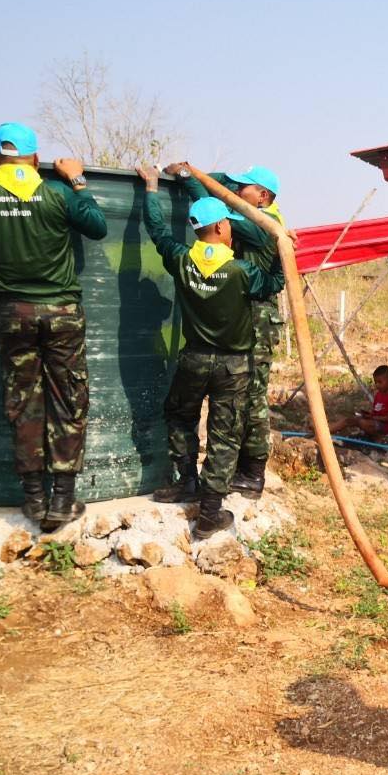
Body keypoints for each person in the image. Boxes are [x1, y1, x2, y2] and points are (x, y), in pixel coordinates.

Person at [0, 122, 107, 530]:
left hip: (12, 313)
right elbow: (97, 225)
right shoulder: (55, 194)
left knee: (24, 403)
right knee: (68, 402)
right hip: (62, 314)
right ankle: (63, 501)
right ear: (37, 159)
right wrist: (78, 180)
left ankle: (34, 500)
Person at [137, 166, 266, 539]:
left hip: (193, 359)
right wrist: (278, 248)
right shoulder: (242, 271)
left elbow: (158, 231)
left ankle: (184, 482)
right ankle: (210, 512)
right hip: (233, 366)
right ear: (224, 228)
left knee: (180, 416)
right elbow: (271, 279)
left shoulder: (180, 260)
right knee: (224, 434)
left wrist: (150, 189)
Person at [166, 162, 285, 499]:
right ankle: (233, 470)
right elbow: (218, 191)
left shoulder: (266, 223)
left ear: (261, 196)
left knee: (251, 397)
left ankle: (252, 471)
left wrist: (191, 180)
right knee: (236, 399)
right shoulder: (251, 215)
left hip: (256, 319)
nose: (233, 190)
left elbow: (213, 213)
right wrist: (207, 176)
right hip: (240, 315)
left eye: (243, 187)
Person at [327, 366, 388, 438]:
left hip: (385, 427)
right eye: (376, 382)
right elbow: (376, 412)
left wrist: (372, 417)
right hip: (374, 422)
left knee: (362, 423)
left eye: (380, 382)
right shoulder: (378, 395)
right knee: (349, 420)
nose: (377, 385)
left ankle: (380, 438)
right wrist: (367, 415)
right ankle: (326, 432)